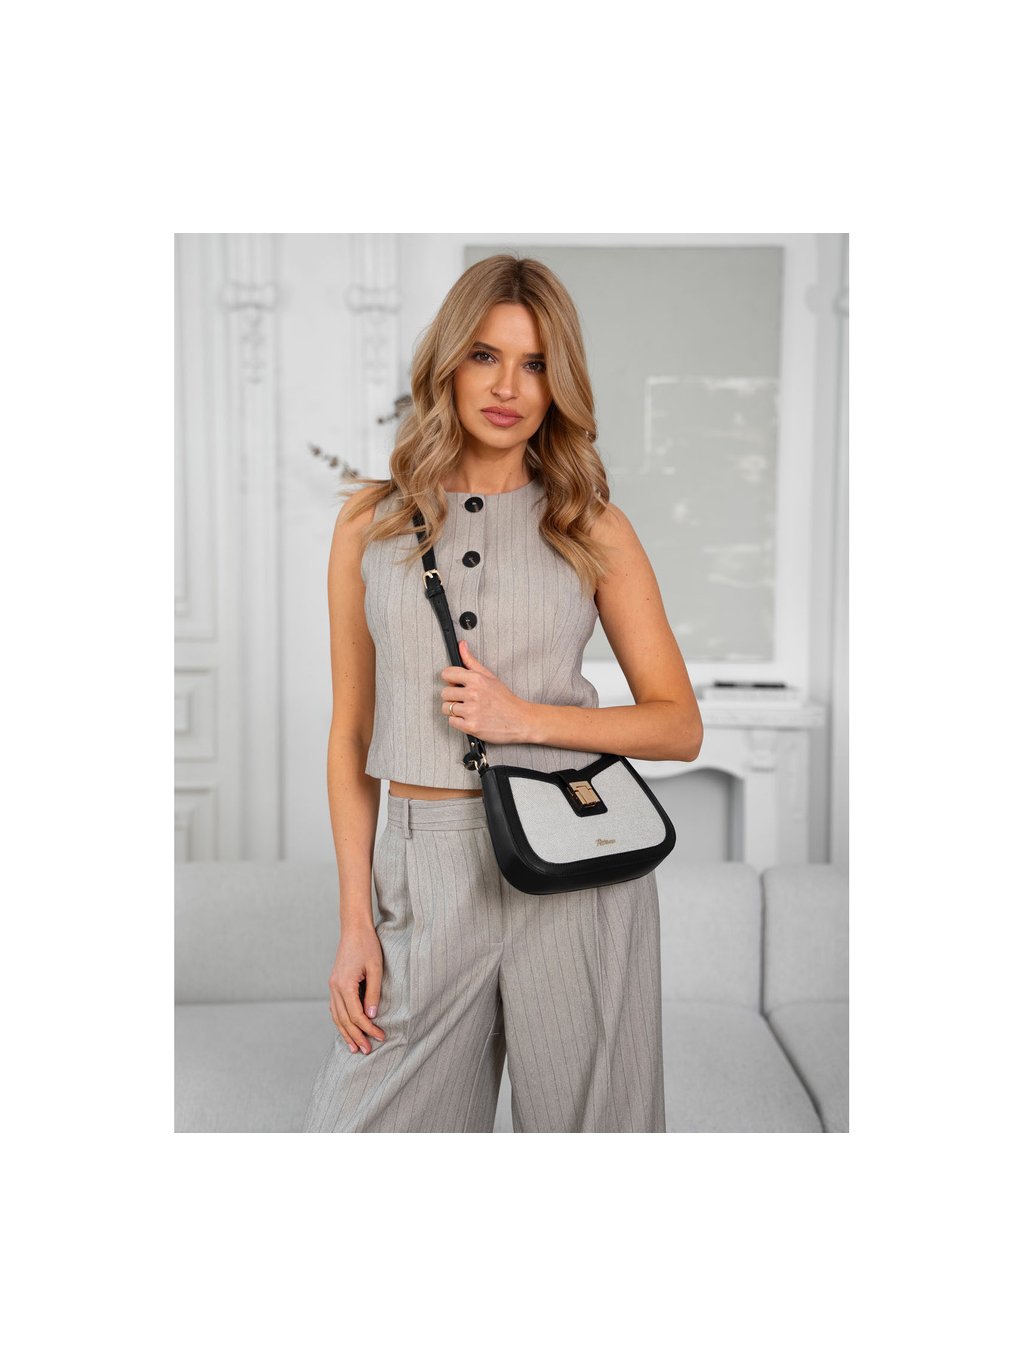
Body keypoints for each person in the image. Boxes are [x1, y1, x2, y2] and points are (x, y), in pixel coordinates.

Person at [301, 254, 702, 1133]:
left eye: (535, 364)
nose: (509, 387)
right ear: (448, 362)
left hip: (578, 870)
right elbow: (351, 733)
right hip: (427, 871)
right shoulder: (369, 523)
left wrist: (525, 718)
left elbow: (679, 725)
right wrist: (356, 920)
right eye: (485, 355)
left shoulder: (591, 524)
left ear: (560, 384)